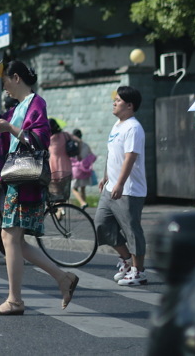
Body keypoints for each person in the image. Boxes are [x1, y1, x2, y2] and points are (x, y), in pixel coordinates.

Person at [0, 60, 79, 315]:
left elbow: (39, 139)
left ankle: (15, 300)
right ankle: (62, 278)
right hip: (18, 179)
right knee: (15, 240)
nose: (3, 88)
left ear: (16, 78)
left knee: (10, 238)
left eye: (4, 82)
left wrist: (11, 128)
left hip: (25, 179)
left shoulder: (36, 103)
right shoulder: (19, 107)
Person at [96, 85, 149, 287]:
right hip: (111, 187)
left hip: (129, 190)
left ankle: (139, 272)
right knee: (102, 224)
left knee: (132, 230)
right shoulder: (118, 125)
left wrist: (120, 183)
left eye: (118, 100)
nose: (114, 103)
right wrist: (106, 177)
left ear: (129, 105)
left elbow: (130, 158)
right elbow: (113, 155)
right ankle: (127, 260)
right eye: (115, 99)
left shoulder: (133, 128)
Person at [47, 118, 74, 203]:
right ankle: (61, 207)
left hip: (53, 163)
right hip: (65, 162)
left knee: (55, 189)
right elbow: (79, 141)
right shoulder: (66, 135)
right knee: (63, 189)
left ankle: (59, 209)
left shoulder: (49, 138)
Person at [68, 129, 97, 209]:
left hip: (76, 170)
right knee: (83, 188)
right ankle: (83, 207)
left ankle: (82, 202)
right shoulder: (86, 145)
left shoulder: (72, 145)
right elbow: (92, 156)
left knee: (74, 188)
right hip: (85, 170)